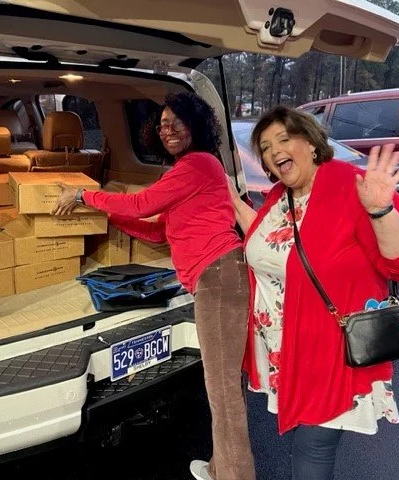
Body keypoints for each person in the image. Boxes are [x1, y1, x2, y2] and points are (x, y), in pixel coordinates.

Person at [51, 91, 255, 480]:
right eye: (163, 124)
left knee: (224, 388)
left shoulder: (199, 164)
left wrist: (83, 195)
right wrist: (105, 216)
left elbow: (143, 204)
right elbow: (159, 231)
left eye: (178, 122)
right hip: (216, 277)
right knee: (224, 386)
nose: (169, 130)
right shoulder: (188, 171)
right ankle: (220, 467)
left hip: (220, 277)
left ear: (196, 126)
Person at [228, 105, 399, 480]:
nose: (274, 152)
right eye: (266, 147)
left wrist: (381, 211)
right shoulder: (278, 195)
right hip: (288, 347)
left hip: (330, 349)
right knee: (307, 437)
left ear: (309, 142)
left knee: (314, 446)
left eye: (284, 140)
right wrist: (227, 197)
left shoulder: (349, 185)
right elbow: (272, 239)